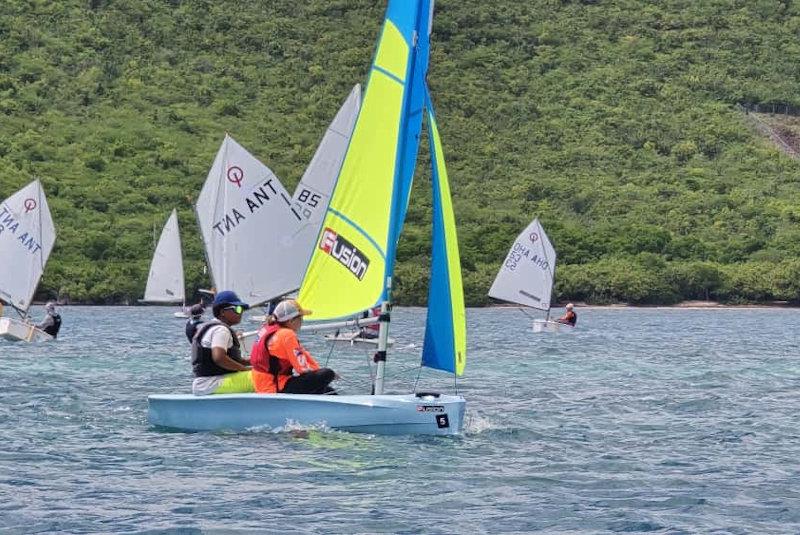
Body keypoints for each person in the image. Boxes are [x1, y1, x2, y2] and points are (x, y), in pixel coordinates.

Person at [250, 299, 337, 395]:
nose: (302, 321)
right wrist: (324, 376)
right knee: (327, 374)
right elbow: (303, 369)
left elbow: (303, 354)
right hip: (274, 387)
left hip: (264, 384)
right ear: (291, 321)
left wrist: (317, 373)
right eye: (300, 318)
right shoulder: (287, 335)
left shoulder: (268, 328)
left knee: (329, 391)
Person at [191, 290, 254, 395]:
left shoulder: (214, 326)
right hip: (212, 383)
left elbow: (233, 360)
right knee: (262, 378)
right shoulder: (221, 330)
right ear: (222, 312)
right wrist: (244, 370)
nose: (241, 312)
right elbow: (219, 358)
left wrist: (255, 363)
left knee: (259, 372)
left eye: (242, 309)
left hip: (205, 383)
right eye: (237, 309)